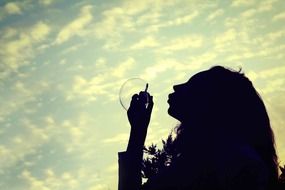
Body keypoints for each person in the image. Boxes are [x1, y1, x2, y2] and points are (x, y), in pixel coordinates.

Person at [118, 66, 279, 190]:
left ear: (210, 101)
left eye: (191, 84)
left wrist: (138, 134)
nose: (176, 86)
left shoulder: (238, 163)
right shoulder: (198, 160)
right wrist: (138, 130)